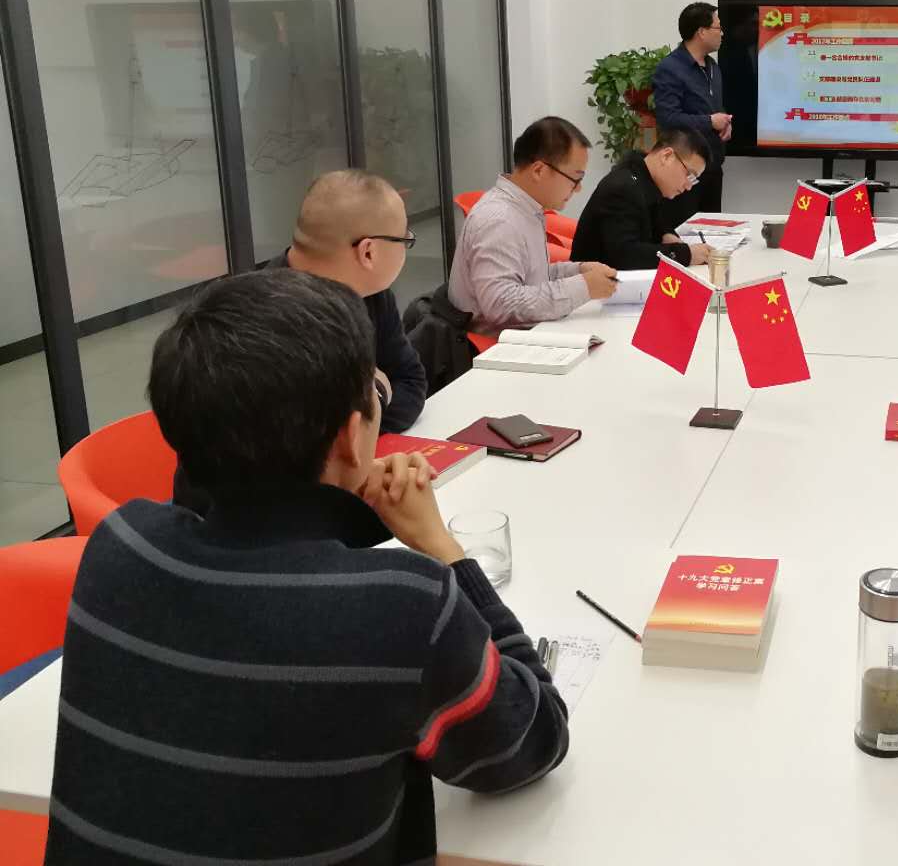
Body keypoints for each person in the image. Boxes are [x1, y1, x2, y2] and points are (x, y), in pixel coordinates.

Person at [46, 269, 569, 864]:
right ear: (350, 435)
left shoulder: (120, 546)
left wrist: (350, 501)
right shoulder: (405, 607)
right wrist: (441, 547)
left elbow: (258, 565)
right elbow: (533, 739)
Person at [271, 168, 428, 433]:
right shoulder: (261, 320)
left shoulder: (371, 291)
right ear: (368, 252)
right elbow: (306, 435)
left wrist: (367, 401)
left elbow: (411, 384)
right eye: (404, 239)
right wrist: (377, 392)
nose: (406, 245)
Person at [449, 116, 618, 337]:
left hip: (528, 334)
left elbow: (531, 276)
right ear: (539, 170)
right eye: (575, 179)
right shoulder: (499, 220)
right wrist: (583, 286)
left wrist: (578, 271)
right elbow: (501, 305)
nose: (578, 189)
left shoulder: (526, 209)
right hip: (497, 346)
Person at [571, 129, 713, 270]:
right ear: (667, 156)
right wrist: (686, 254)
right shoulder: (623, 187)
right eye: (689, 175)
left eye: (694, 180)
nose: (689, 186)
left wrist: (666, 235)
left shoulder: (646, 179)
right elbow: (625, 255)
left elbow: (657, 224)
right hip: (595, 281)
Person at [652, 1, 731, 231]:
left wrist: (725, 123)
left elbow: (714, 107)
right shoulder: (670, 68)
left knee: (713, 233)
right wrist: (709, 121)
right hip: (684, 170)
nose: (722, 33)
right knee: (683, 233)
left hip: (713, 165)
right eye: (718, 27)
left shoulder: (713, 67)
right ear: (701, 32)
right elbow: (667, 118)